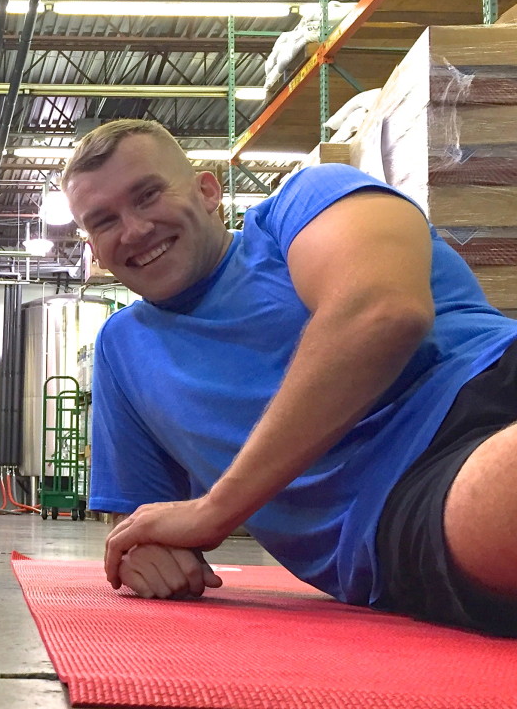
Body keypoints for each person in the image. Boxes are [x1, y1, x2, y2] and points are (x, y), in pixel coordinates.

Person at [61, 118, 517, 635]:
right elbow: (139, 531)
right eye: (103, 222)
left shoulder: (307, 202)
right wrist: (145, 554)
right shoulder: (122, 351)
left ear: (208, 191)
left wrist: (216, 510)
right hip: (404, 492)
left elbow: (382, 313)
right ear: (93, 247)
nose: (134, 230)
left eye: (147, 196)